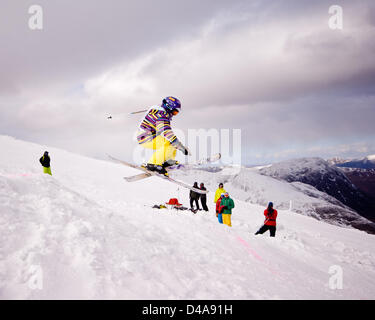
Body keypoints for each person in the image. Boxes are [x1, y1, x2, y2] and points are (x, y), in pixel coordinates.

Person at [137, 96, 190, 176]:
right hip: (146, 137)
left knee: (171, 144)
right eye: (175, 112)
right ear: (169, 107)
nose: (175, 114)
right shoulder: (162, 115)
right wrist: (180, 146)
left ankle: (167, 161)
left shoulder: (159, 112)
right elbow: (166, 132)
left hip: (149, 135)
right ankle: (153, 164)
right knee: (169, 144)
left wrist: (178, 145)